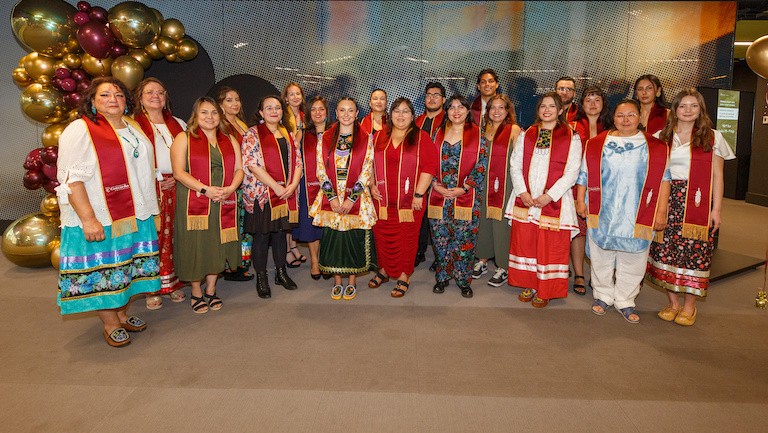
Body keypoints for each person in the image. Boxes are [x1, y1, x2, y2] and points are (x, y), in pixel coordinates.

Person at [56, 76, 160, 347]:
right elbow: (72, 179)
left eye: (118, 95)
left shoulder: (132, 127)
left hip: (135, 212)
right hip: (101, 215)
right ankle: (110, 322)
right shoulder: (80, 129)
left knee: (125, 267)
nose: (113, 99)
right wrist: (88, 219)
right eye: (105, 95)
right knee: (104, 270)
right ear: (92, 101)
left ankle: (122, 313)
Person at [575, 99, 671, 324]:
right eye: (620, 115)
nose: (625, 120)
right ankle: (603, 295)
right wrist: (580, 201)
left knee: (634, 256)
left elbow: (665, 180)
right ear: (613, 117)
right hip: (603, 208)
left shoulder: (655, 146)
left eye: (631, 115)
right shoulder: (597, 143)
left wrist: (661, 211)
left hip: (637, 211)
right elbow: (583, 175)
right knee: (601, 255)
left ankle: (625, 300)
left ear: (640, 117)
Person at [647, 88, 735, 326]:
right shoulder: (661, 137)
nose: (687, 110)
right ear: (674, 109)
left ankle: (689, 307)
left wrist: (716, 209)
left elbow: (718, 176)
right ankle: (673, 303)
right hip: (667, 199)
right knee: (666, 250)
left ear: (700, 110)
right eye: (683, 106)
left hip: (697, 201)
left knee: (694, 253)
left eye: (693, 106)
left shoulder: (712, 138)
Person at [505, 92, 581, 308]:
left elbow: (572, 171)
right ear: (538, 110)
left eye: (552, 106)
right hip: (527, 199)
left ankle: (546, 289)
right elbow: (515, 164)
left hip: (554, 200)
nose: (547, 110)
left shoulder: (571, 136)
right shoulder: (528, 133)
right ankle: (530, 283)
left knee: (550, 246)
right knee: (527, 243)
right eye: (543, 106)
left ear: (560, 110)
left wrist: (549, 196)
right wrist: (522, 192)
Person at [171, 97, 244, 313]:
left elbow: (239, 168)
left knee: (217, 243)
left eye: (213, 112)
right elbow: (179, 172)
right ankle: (196, 291)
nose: (209, 117)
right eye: (204, 112)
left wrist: (230, 189)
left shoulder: (229, 139)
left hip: (224, 198)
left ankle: (211, 289)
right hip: (195, 199)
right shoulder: (183, 138)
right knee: (196, 244)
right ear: (196, 114)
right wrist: (206, 189)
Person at [310, 97, 377, 300]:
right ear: (336, 114)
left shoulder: (367, 138)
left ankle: (352, 281)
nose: (346, 114)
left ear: (357, 114)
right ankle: (337, 281)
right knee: (335, 240)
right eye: (342, 110)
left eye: (351, 111)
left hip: (355, 198)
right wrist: (332, 198)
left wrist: (351, 199)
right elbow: (320, 170)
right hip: (332, 197)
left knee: (352, 240)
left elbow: (366, 170)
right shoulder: (325, 138)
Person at [369, 97, 438, 297]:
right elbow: (370, 164)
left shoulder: (421, 137)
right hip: (382, 200)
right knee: (382, 237)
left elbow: (429, 167)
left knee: (406, 239)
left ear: (412, 116)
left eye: (405, 111)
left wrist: (419, 194)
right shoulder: (379, 136)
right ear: (390, 115)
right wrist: (372, 184)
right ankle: (383, 270)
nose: (401, 115)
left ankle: (402, 276)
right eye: (397, 111)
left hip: (410, 203)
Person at [132, 77, 187, 310]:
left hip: (179, 186)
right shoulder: (132, 126)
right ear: (140, 99)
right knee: (153, 239)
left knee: (176, 237)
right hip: (150, 190)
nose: (156, 96)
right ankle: (151, 289)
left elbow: (190, 154)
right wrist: (156, 177)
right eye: (149, 92)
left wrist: (180, 175)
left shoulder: (179, 124)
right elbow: (131, 159)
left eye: (160, 92)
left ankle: (172, 283)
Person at [241, 95, 302, 299]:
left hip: (285, 194)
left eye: (277, 107)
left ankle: (281, 272)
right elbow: (251, 164)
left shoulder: (288, 134)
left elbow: (298, 162)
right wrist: (275, 186)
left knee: (280, 235)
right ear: (261, 112)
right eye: (269, 108)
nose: (274, 111)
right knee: (262, 236)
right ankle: (261, 277)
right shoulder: (252, 134)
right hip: (262, 194)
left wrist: (292, 185)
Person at [428, 95, 487, 298]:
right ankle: (442, 277)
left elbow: (481, 164)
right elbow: (428, 161)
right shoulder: (437, 133)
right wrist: (435, 184)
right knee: (440, 238)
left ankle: (463, 279)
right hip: (439, 194)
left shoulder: (479, 134)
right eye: (451, 107)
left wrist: (464, 187)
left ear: (468, 110)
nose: (456, 111)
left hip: (466, 195)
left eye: (460, 107)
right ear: (446, 111)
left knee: (464, 239)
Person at [568, 85, 613, 295]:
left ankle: (600, 274)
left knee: (603, 230)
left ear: (603, 103)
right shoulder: (571, 126)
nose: (593, 104)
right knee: (579, 230)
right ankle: (579, 272)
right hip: (577, 185)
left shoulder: (613, 128)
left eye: (597, 99)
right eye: (588, 100)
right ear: (581, 104)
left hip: (607, 186)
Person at [473, 94, 521, 287]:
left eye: (501, 108)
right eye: (493, 107)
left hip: (505, 184)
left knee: (502, 225)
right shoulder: (482, 130)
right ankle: (482, 259)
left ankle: (503, 266)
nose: (497, 111)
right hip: (483, 184)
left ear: (508, 110)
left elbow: (519, 160)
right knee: (483, 221)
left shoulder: (514, 130)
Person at [216, 86, 254, 282]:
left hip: (247, 184)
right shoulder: (219, 126)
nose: (234, 103)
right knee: (231, 226)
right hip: (231, 183)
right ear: (220, 104)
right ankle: (230, 265)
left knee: (244, 227)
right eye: (229, 100)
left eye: (237, 99)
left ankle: (241, 263)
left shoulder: (241, 123)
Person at [294, 96, 330, 280]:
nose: (317, 112)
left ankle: (326, 259)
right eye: (314, 109)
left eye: (321, 109)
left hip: (331, 188)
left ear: (326, 112)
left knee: (328, 226)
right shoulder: (302, 134)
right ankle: (315, 261)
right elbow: (297, 161)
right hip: (308, 186)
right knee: (311, 225)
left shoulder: (335, 132)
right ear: (309, 113)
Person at [414, 82, 446, 268]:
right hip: (419, 178)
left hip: (440, 179)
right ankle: (418, 251)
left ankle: (440, 256)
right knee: (420, 215)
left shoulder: (448, 121)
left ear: (443, 99)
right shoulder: (416, 122)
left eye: (436, 94)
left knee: (438, 218)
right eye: (428, 94)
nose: (432, 98)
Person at [282, 82, 308, 268]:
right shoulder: (283, 116)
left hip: (300, 165)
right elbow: (292, 142)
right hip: (287, 166)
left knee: (295, 209)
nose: (295, 97)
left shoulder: (303, 115)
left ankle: (293, 246)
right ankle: (286, 250)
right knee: (286, 208)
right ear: (285, 98)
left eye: (298, 94)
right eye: (291, 94)